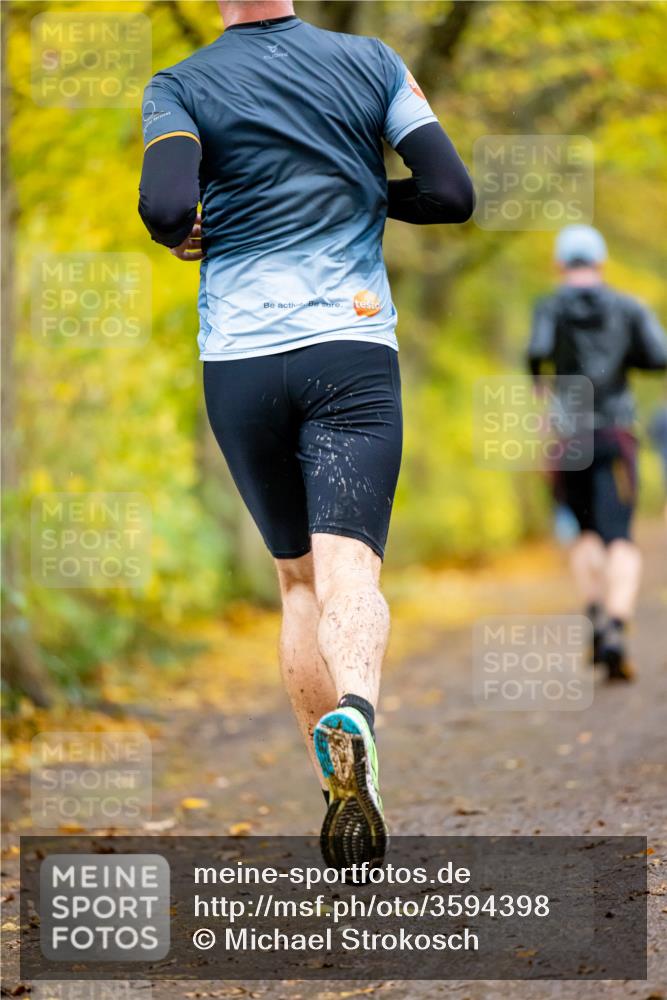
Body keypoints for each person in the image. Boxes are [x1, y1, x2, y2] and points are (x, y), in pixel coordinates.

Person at [138, 0, 474, 866]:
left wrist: (192, 229)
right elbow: (449, 192)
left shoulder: (178, 86)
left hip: (242, 363)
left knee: (296, 582)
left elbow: (166, 204)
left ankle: (336, 788)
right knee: (349, 566)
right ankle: (356, 709)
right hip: (351, 350)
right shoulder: (371, 62)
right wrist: (364, 194)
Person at [527, 224, 667, 680]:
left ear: (559, 264)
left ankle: (594, 615)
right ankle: (616, 628)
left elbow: (537, 352)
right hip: (614, 433)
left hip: (570, 437)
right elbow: (658, 356)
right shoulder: (628, 306)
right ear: (601, 263)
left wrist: (543, 395)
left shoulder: (550, 305)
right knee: (620, 538)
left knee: (586, 534)